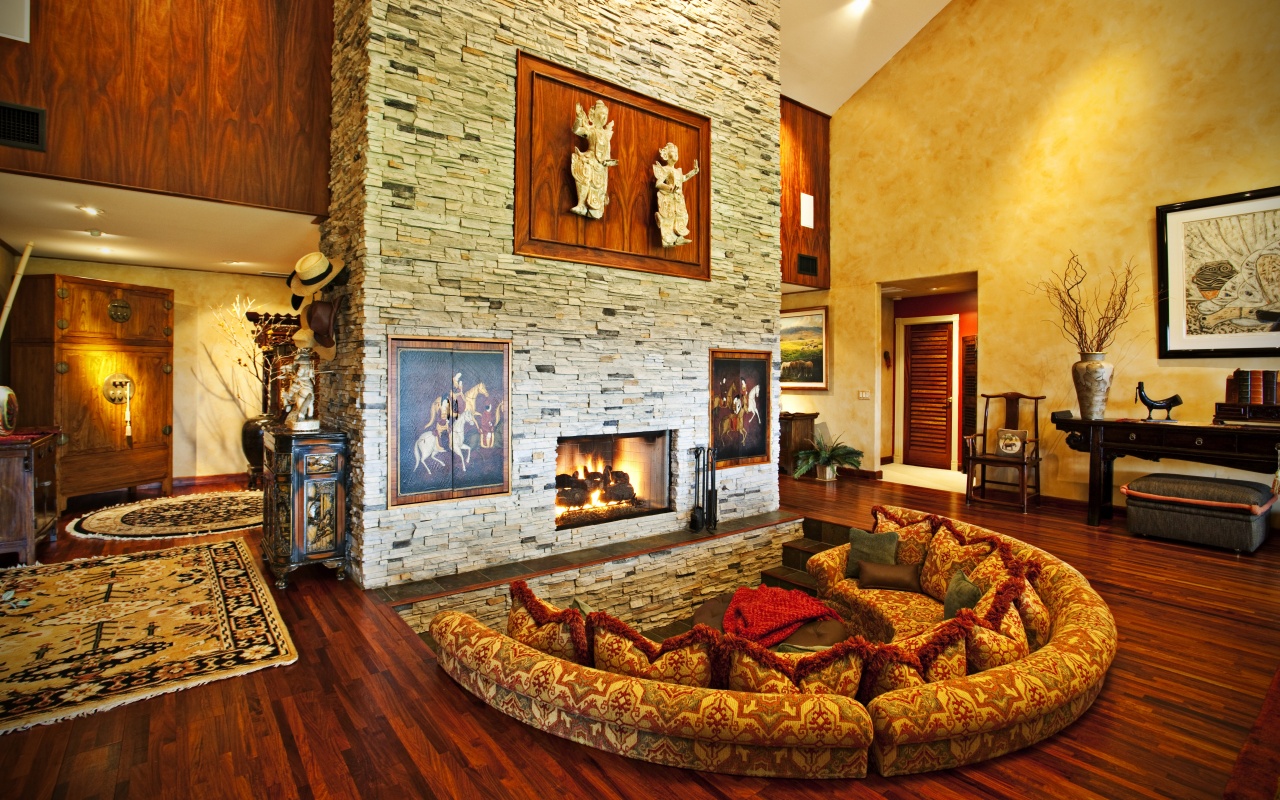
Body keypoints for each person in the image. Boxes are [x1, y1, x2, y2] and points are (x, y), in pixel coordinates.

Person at [570, 100, 617, 219]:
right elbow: (576, 130)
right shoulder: (591, 130)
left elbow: (606, 151)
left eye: (606, 115)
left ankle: (596, 207)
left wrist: (608, 162)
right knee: (584, 176)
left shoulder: (606, 134)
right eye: (601, 114)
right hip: (590, 159)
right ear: (594, 115)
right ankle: (581, 204)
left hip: (601, 165)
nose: (604, 117)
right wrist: (579, 118)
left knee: (600, 187)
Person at [653, 142, 699, 247]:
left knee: (682, 216)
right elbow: (658, 184)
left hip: (679, 198)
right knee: (670, 218)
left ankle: (679, 238)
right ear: (667, 155)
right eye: (673, 152)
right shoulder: (665, 169)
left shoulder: (678, 171)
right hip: (669, 198)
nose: (676, 154)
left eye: (677, 152)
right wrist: (669, 187)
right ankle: (668, 240)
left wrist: (694, 171)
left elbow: (684, 178)